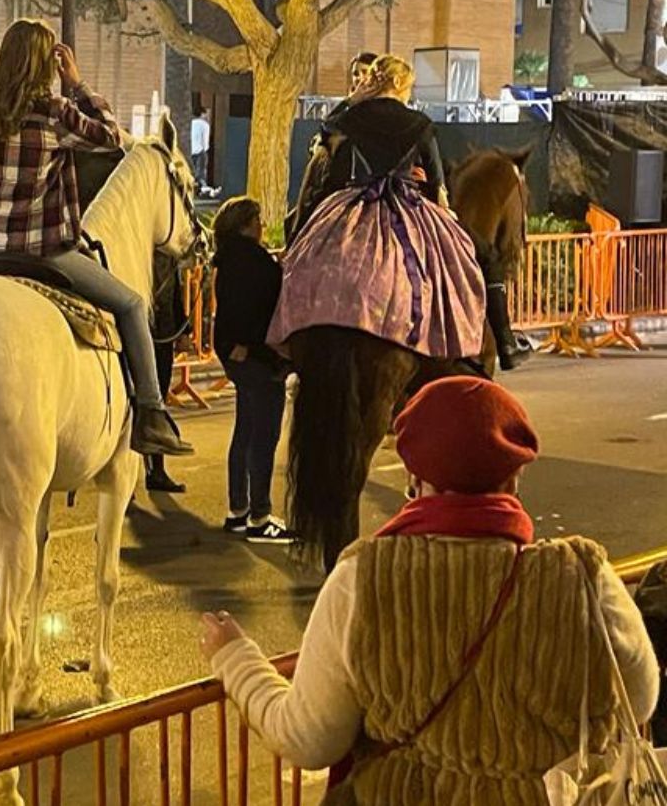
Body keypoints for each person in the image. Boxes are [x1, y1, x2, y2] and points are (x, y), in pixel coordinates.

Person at [200, 376, 659, 805]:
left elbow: (307, 739)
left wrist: (236, 659)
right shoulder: (580, 577)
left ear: (415, 481)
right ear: (514, 478)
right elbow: (640, 699)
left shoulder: (364, 578)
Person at [0, 18, 192, 457]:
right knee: (131, 304)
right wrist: (79, 84)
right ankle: (152, 412)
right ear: (47, 63)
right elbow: (109, 139)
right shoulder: (52, 112)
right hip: (40, 251)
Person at [279, 54, 528, 368]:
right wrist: (445, 212)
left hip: (354, 204)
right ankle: (503, 342)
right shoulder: (419, 123)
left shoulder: (348, 119)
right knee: (481, 257)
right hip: (406, 206)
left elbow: (327, 135)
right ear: (398, 83)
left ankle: (285, 335)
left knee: (302, 249)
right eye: (409, 87)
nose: (410, 94)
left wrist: (352, 99)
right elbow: (438, 186)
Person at [212, 197, 295, 543]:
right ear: (247, 224)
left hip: (236, 356)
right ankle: (260, 517)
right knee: (264, 436)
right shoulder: (255, 263)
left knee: (245, 430)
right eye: (259, 220)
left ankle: (238, 511)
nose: (263, 226)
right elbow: (261, 310)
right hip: (260, 358)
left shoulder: (228, 259)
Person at [146, 252, 187, 492]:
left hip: (164, 333)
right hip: (148, 330)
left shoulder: (168, 256)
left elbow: (176, 292)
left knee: (158, 400)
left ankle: (156, 470)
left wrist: (182, 329)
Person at [189, 107, 213, 197]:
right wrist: (206, 149)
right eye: (206, 113)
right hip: (201, 151)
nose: (207, 115)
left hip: (193, 151)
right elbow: (205, 140)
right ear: (202, 114)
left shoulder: (192, 123)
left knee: (196, 171)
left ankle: (196, 191)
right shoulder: (205, 125)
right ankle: (203, 190)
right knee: (201, 173)